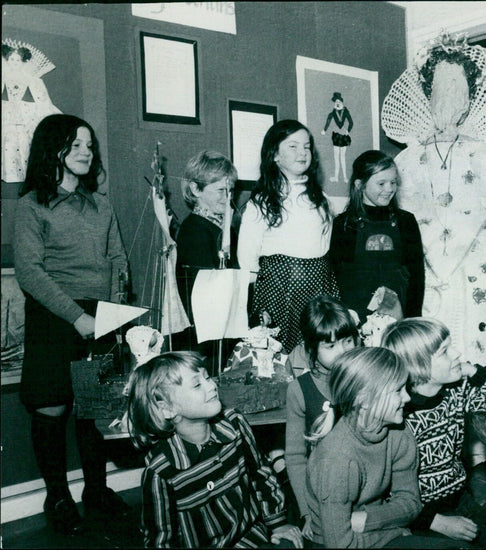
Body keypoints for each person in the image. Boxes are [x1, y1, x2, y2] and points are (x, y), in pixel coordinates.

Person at [382, 32, 486, 388]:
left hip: (481, 282)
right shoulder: (407, 159)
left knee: (481, 372)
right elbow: (393, 221)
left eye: (458, 86)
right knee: (429, 370)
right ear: (427, 94)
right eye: (441, 86)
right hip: (426, 285)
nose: (450, 97)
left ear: (470, 96)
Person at [13, 114, 130, 534]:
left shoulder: (101, 204)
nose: (86, 152)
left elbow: (118, 260)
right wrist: (77, 317)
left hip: (101, 316)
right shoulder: (32, 205)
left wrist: (112, 312)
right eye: (76, 145)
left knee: (94, 409)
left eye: (89, 145)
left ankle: (96, 491)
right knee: (53, 405)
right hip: (54, 317)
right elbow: (29, 271)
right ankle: (57, 496)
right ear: (53, 150)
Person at [125, 351, 303, 548]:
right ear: (167, 409)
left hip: (252, 537)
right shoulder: (161, 471)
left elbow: (260, 473)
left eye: (207, 377)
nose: (212, 385)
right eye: (197, 384)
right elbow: (160, 539)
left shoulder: (235, 424)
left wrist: (277, 524)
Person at [382, 317, 486, 547]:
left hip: (460, 502)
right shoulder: (399, 413)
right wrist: (435, 522)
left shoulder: (455, 390)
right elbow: (384, 494)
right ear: (418, 364)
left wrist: (474, 372)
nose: (456, 354)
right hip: (414, 517)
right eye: (444, 351)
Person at [305, 347, 459, 548]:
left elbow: (411, 504)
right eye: (397, 391)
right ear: (365, 400)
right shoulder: (337, 460)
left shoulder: (398, 432)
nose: (407, 398)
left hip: (375, 529)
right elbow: (339, 543)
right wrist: (394, 531)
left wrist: (366, 520)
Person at [238, 119, 338, 352]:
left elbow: (324, 245)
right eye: (293, 146)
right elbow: (247, 259)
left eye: (306, 146)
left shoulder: (321, 199)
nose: (302, 152)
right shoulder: (261, 202)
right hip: (278, 289)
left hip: (318, 286)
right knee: (278, 357)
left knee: (318, 350)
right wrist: (257, 304)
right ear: (275, 155)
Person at [284, 294, 359, 541]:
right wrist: (307, 513)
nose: (343, 352)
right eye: (330, 346)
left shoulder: (365, 379)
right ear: (311, 348)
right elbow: (295, 457)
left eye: (348, 341)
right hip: (321, 497)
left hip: (364, 494)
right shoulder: (299, 390)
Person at [329, 150, 424, 323]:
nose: (389, 189)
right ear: (360, 185)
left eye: (393, 182)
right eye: (381, 184)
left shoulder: (406, 222)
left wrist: (411, 321)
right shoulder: (344, 224)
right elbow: (337, 278)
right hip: (357, 316)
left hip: (399, 315)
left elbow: (417, 278)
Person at [175, 150, 238, 355]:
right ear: (195, 189)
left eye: (231, 190)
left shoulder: (227, 228)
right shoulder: (193, 230)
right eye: (221, 190)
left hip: (226, 327)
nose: (228, 197)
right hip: (205, 337)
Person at [2, 39, 61, 183]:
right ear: (7, 60)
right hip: (7, 113)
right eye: (12, 59)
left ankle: (29, 174)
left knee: (24, 141)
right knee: (8, 142)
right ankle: (9, 174)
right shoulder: (4, 77)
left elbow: (42, 99)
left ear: (23, 61)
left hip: (24, 113)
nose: (15, 62)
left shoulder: (32, 80)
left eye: (17, 59)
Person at [321, 91, 353, 183]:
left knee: (342, 157)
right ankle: (336, 177)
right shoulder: (333, 113)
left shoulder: (345, 111)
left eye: (339, 102)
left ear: (342, 103)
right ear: (335, 103)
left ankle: (345, 177)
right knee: (336, 157)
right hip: (336, 135)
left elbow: (351, 122)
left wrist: (348, 131)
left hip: (343, 135)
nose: (337, 103)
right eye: (336, 102)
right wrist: (324, 130)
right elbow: (328, 120)